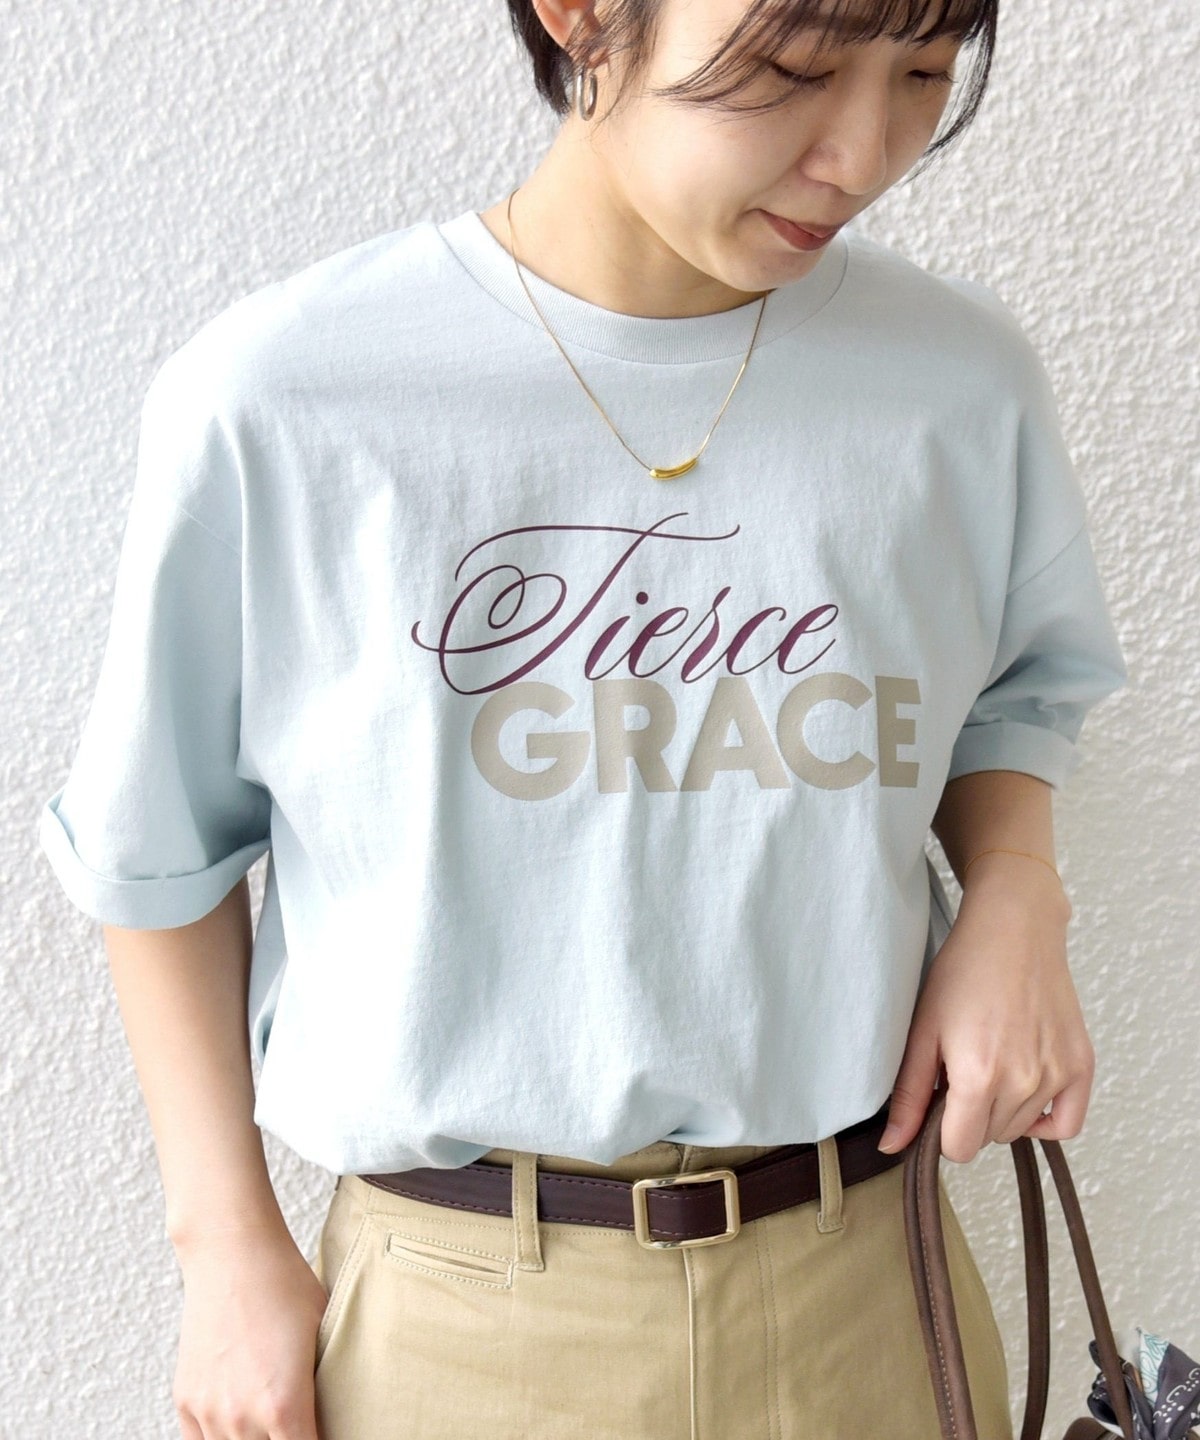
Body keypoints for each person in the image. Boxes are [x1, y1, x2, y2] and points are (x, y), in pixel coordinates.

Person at [36, 0, 1129, 1435]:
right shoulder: (286, 397)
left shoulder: (957, 385)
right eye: (793, 70)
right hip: (455, 1319)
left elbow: (1014, 694)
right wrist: (224, 1249)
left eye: (924, 73)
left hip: (868, 1287)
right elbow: (156, 854)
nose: (864, 153)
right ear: (585, 15)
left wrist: (1017, 888)